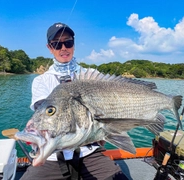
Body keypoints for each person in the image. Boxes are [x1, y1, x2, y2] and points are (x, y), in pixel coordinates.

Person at [20, 22, 128, 180]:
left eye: (68, 42)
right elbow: (47, 113)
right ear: (50, 48)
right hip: (53, 157)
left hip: (89, 152)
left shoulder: (91, 75)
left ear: (74, 45)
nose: (63, 48)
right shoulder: (41, 81)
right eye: (57, 44)